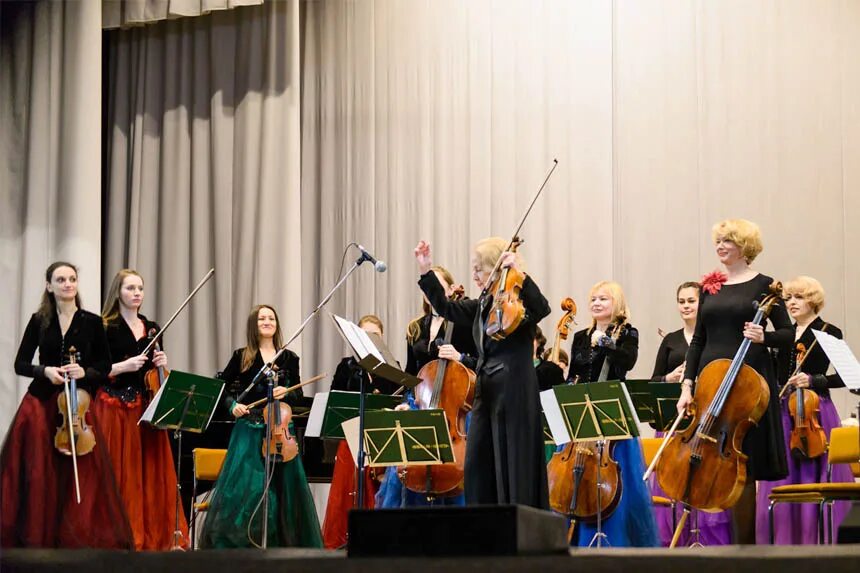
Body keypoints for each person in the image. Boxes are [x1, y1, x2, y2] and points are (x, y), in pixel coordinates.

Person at [1, 262, 133, 549]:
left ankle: (72, 537)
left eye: (72, 279)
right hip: (40, 404)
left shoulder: (92, 322)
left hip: (76, 405)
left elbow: (104, 364)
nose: (67, 284)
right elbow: (20, 364)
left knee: (81, 474)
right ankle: (37, 536)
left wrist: (84, 372)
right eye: (60, 280)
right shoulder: (40, 320)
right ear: (49, 286)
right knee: (39, 473)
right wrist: (45, 371)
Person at [676, 219, 791, 545]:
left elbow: (788, 334)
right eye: (718, 240)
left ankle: (746, 550)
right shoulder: (709, 287)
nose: (720, 246)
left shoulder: (765, 286)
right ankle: (712, 544)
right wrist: (687, 385)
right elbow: (698, 340)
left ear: (745, 246)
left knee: (743, 467)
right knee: (711, 462)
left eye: (728, 240)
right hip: (711, 382)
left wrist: (762, 336)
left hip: (747, 384)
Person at [414, 237, 550, 508]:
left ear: (497, 269)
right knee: (478, 463)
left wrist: (521, 276)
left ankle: (517, 525)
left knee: (514, 463)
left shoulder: (518, 303)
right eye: (473, 269)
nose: (475, 275)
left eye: (480, 269)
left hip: (514, 389)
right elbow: (446, 307)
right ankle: (485, 524)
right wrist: (425, 271)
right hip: (486, 389)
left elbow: (542, 308)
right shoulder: (481, 306)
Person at [200, 305, 322, 548]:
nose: (267, 321)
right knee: (251, 491)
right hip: (250, 429)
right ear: (253, 325)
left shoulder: (289, 358)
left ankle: (279, 547)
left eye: (271, 318)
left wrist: (287, 392)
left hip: (279, 433)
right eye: (261, 318)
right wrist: (232, 405)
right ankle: (246, 546)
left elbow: (298, 397)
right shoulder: (242, 356)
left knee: (284, 492)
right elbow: (220, 388)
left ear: (277, 324)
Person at [93, 269, 188, 550]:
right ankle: (120, 536)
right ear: (117, 292)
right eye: (130, 288)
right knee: (120, 473)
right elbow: (94, 370)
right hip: (115, 407)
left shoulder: (152, 328)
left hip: (147, 410)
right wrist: (123, 366)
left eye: (140, 288)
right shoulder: (104, 327)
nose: (136, 293)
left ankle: (155, 536)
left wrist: (161, 361)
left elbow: (157, 374)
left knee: (149, 474)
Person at [755, 276, 854, 544]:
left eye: (798, 297)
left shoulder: (827, 332)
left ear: (812, 300)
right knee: (782, 477)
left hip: (814, 413)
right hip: (782, 412)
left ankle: (815, 541)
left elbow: (850, 378)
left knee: (811, 472)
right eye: (788, 298)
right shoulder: (782, 335)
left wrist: (813, 380)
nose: (791, 303)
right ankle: (784, 542)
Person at [563, 281, 659, 547]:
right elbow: (574, 373)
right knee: (573, 477)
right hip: (584, 411)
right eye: (593, 298)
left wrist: (605, 343)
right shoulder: (580, 336)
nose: (596, 303)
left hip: (612, 411)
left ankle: (616, 538)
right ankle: (575, 537)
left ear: (615, 303)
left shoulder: (628, 333)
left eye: (603, 299)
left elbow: (627, 362)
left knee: (617, 478)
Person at [375, 266, 477, 508]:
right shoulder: (415, 327)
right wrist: (405, 402)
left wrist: (460, 356)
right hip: (421, 402)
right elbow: (412, 374)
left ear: (451, 291)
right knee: (405, 471)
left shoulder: (463, 323)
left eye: (439, 287)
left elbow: (479, 363)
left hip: (455, 408)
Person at [649, 281, 731, 547]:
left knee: (704, 481)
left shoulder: (711, 339)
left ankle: (707, 542)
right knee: (672, 483)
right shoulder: (671, 340)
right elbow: (654, 381)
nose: (685, 306)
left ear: (702, 304)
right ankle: (674, 541)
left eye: (691, 301)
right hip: (675, 421)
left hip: (705, 421)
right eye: (681, 301)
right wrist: (669, 378)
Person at [322, 315, 390, 548]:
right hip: (350, 438)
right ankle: (343, 539)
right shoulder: (347, 366)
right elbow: (336, 400)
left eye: (375, 336)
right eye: (364, 335)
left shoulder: (391, 367)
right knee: (345, 490)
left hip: (380, 439)